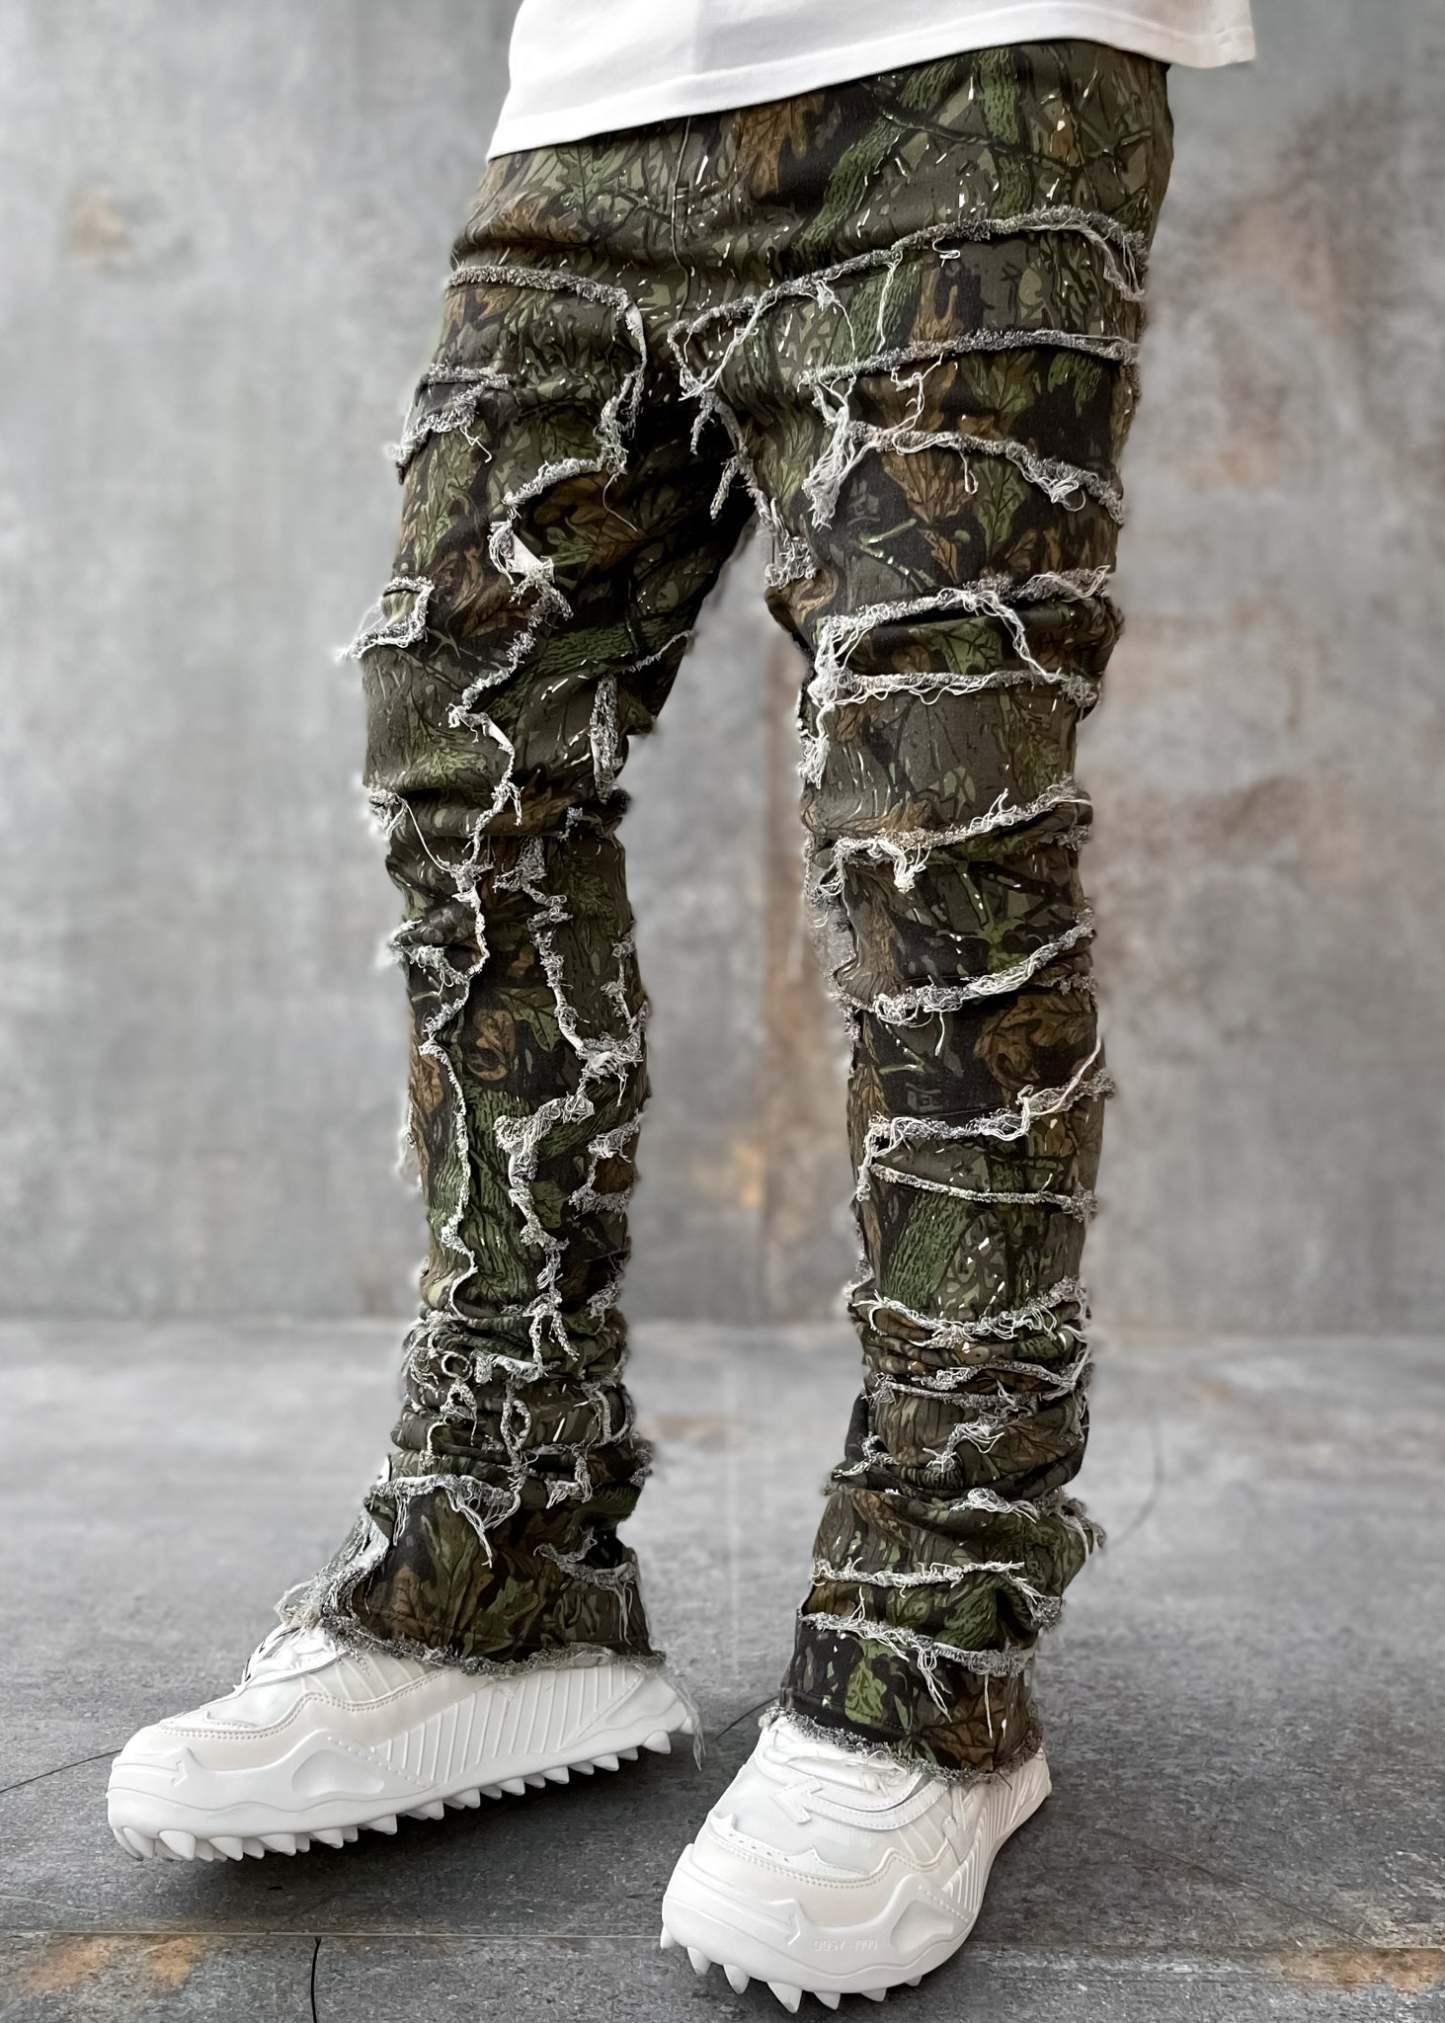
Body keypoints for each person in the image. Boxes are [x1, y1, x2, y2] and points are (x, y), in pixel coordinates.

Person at [106, 0, 1254, 2005]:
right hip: (599, 89)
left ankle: (932, 1643)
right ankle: (506, 1558)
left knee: (939, 835)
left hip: (977, 66)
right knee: (462, 767)